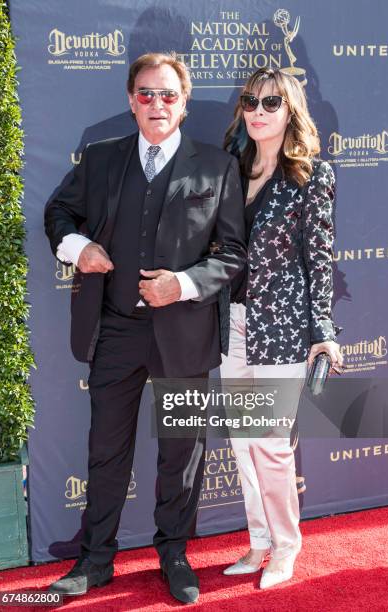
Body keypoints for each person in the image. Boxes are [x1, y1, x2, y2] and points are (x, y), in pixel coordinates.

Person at [44, 52, 246, 604]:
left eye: (168, 95)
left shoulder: (217, 166)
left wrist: (178, 284)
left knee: (183, 452)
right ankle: (96, 561)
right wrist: (78, 247)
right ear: (131, 99)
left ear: (184, 103)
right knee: (106, 450)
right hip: (115, 331)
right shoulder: (101, 159)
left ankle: (175, 554)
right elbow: (58, 211)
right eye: (145, 93)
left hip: (184, 332)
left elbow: (231, 255)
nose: (157, 104)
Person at [221, 68, 343, 589]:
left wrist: (324, 329)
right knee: (244, 442)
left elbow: (319, 260)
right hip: (231, 324)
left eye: (271, 103)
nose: (258, 111)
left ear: (290, 110)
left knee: (271, 444)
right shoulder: (229, 167)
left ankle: (285, 548)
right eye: (251, 101)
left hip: (284, 328)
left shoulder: (312, 176)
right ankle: (259, 543)